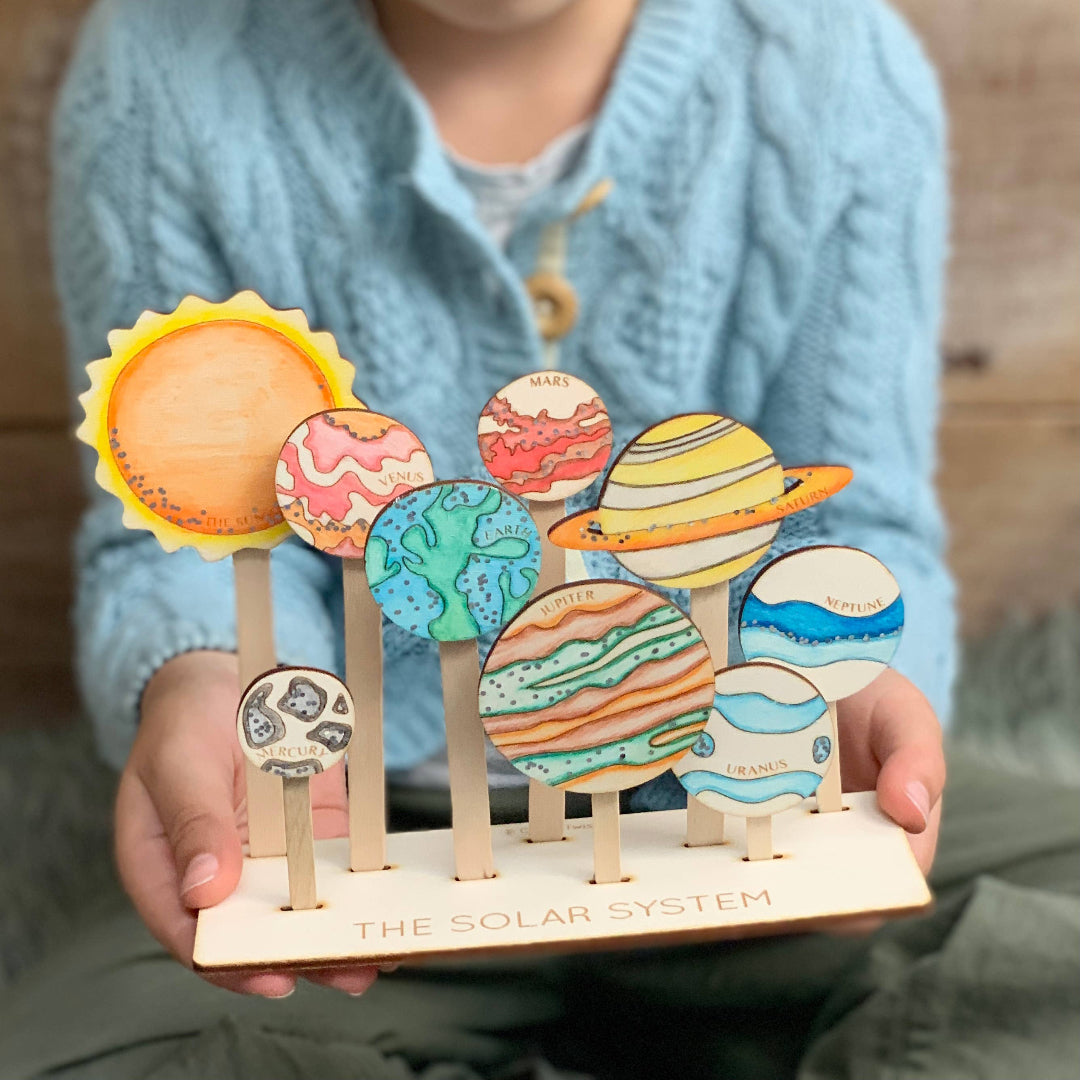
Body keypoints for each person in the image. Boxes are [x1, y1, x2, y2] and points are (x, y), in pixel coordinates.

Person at [0, 1, 1076, 1078]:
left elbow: (859, 511)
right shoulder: (164, 65)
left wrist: (851, 688)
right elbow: (197, 527)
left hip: (741, 799)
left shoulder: (837, 64)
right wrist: (209, 682)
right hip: (368, 847)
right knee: (93, 1051)